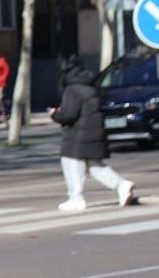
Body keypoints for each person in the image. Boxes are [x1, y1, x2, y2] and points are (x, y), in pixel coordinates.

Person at [50, 54, 134, 212]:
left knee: (70, 162)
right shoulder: (90, 86)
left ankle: (76, 198)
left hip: (78, 135)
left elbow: (68, 114)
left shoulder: (72, 89)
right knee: (95, 166)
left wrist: (55, 114)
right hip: (95, 132)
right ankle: (122, 185)